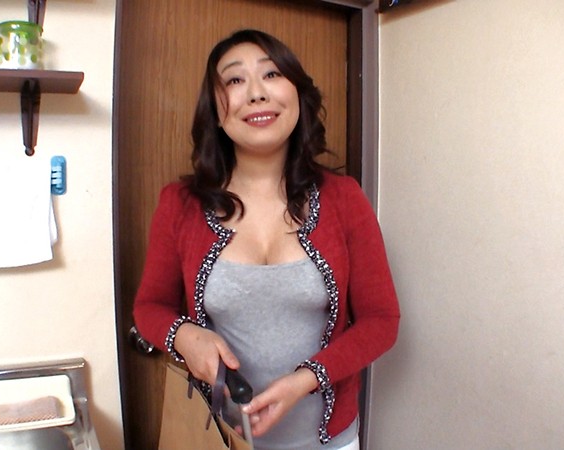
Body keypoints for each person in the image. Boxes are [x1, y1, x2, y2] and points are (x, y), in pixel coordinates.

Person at [133, 29, 400, 450]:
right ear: (215, 110)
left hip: (330, 442)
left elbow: (381, 321)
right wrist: (185, 336)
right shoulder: (179, 204)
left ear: (297, 95)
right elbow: (149, 308)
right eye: (235, 80)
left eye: (272, 74)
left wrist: (305, 379)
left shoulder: (345, 198)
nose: (256, 93)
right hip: (218, 439)